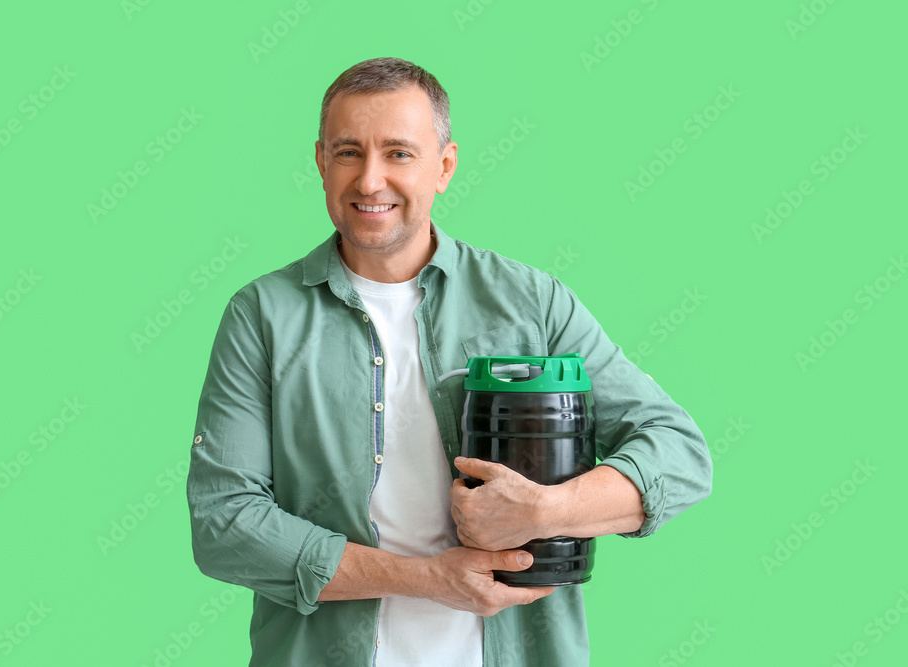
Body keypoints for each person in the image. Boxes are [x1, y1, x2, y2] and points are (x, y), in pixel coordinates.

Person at [187, 57, 713, 666]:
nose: (370, 181)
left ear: (445, 166)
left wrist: (544, 510)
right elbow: (224, 525)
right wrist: (427, 578)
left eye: (399, 153)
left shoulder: (531, 303)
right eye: (349, 152)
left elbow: (679, 453)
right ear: (321, 162)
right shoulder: (262, 316)